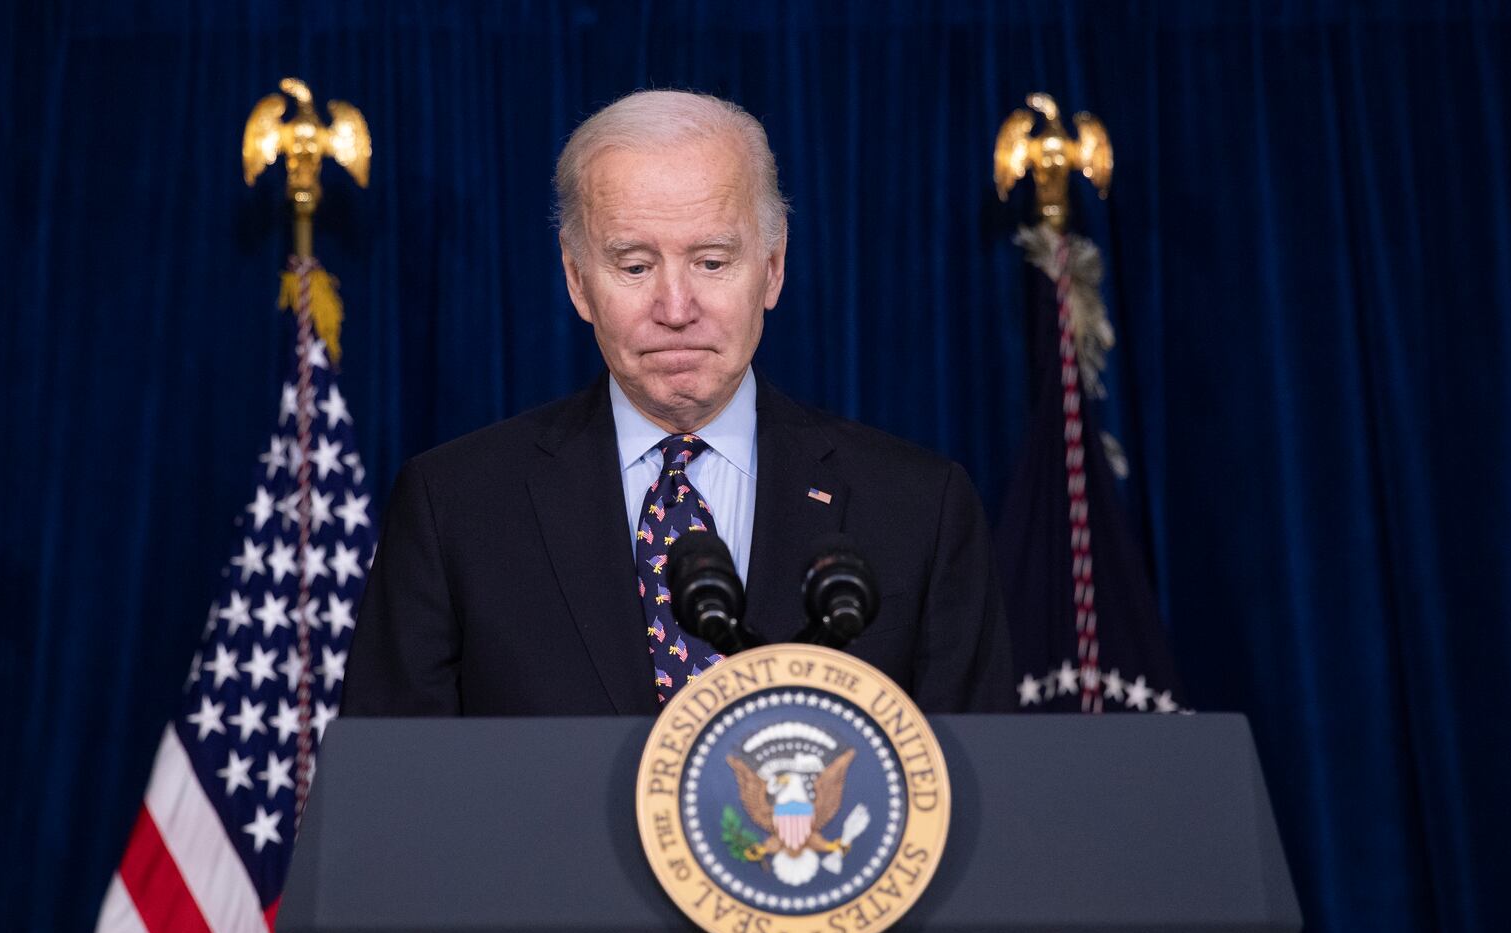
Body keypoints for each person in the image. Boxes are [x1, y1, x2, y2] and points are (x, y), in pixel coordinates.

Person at [342, 89, 1011, 720]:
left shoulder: (920, 510)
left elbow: (978, 796)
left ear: (773, 268)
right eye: (634, 266)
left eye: (712, 262)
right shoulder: (454, 508)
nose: (676, 309)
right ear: (578, 282)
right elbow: (397, 804)